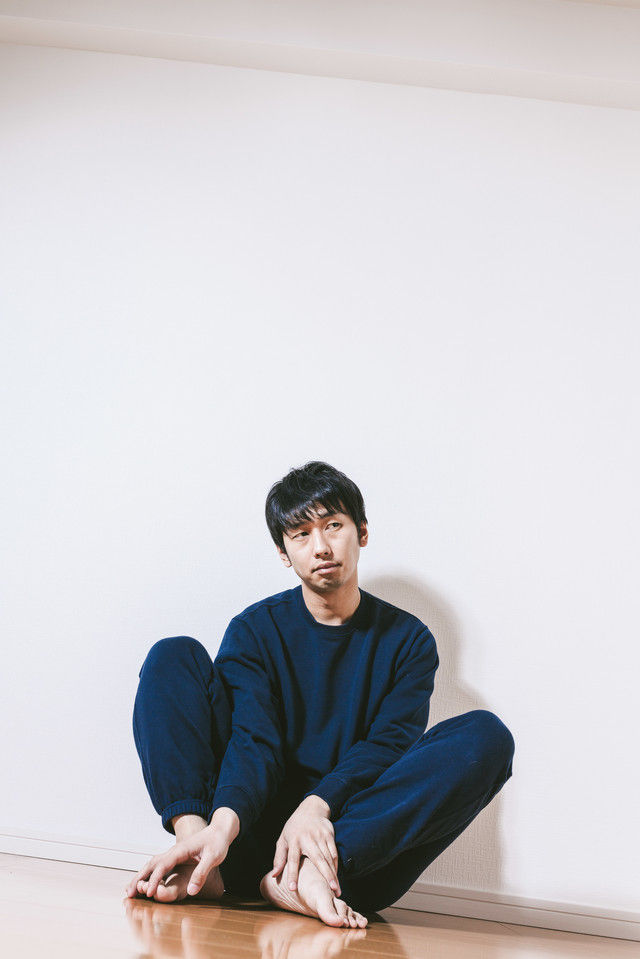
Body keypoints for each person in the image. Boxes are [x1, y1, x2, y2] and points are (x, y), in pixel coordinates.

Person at [125, 461, 515, 927]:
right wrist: (219, 829)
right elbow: (254, 740)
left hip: (347, 855)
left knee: (486, 735)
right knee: (173, 655)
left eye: (333, 526)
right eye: (301, 534)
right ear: (284, 552)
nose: (321, 546)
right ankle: (198, 857)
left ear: (362, 531)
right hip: (240, 836)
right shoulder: (254, 630)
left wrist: (316, 807)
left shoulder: (409, 642)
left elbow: (386, 748)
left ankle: (306, 877)